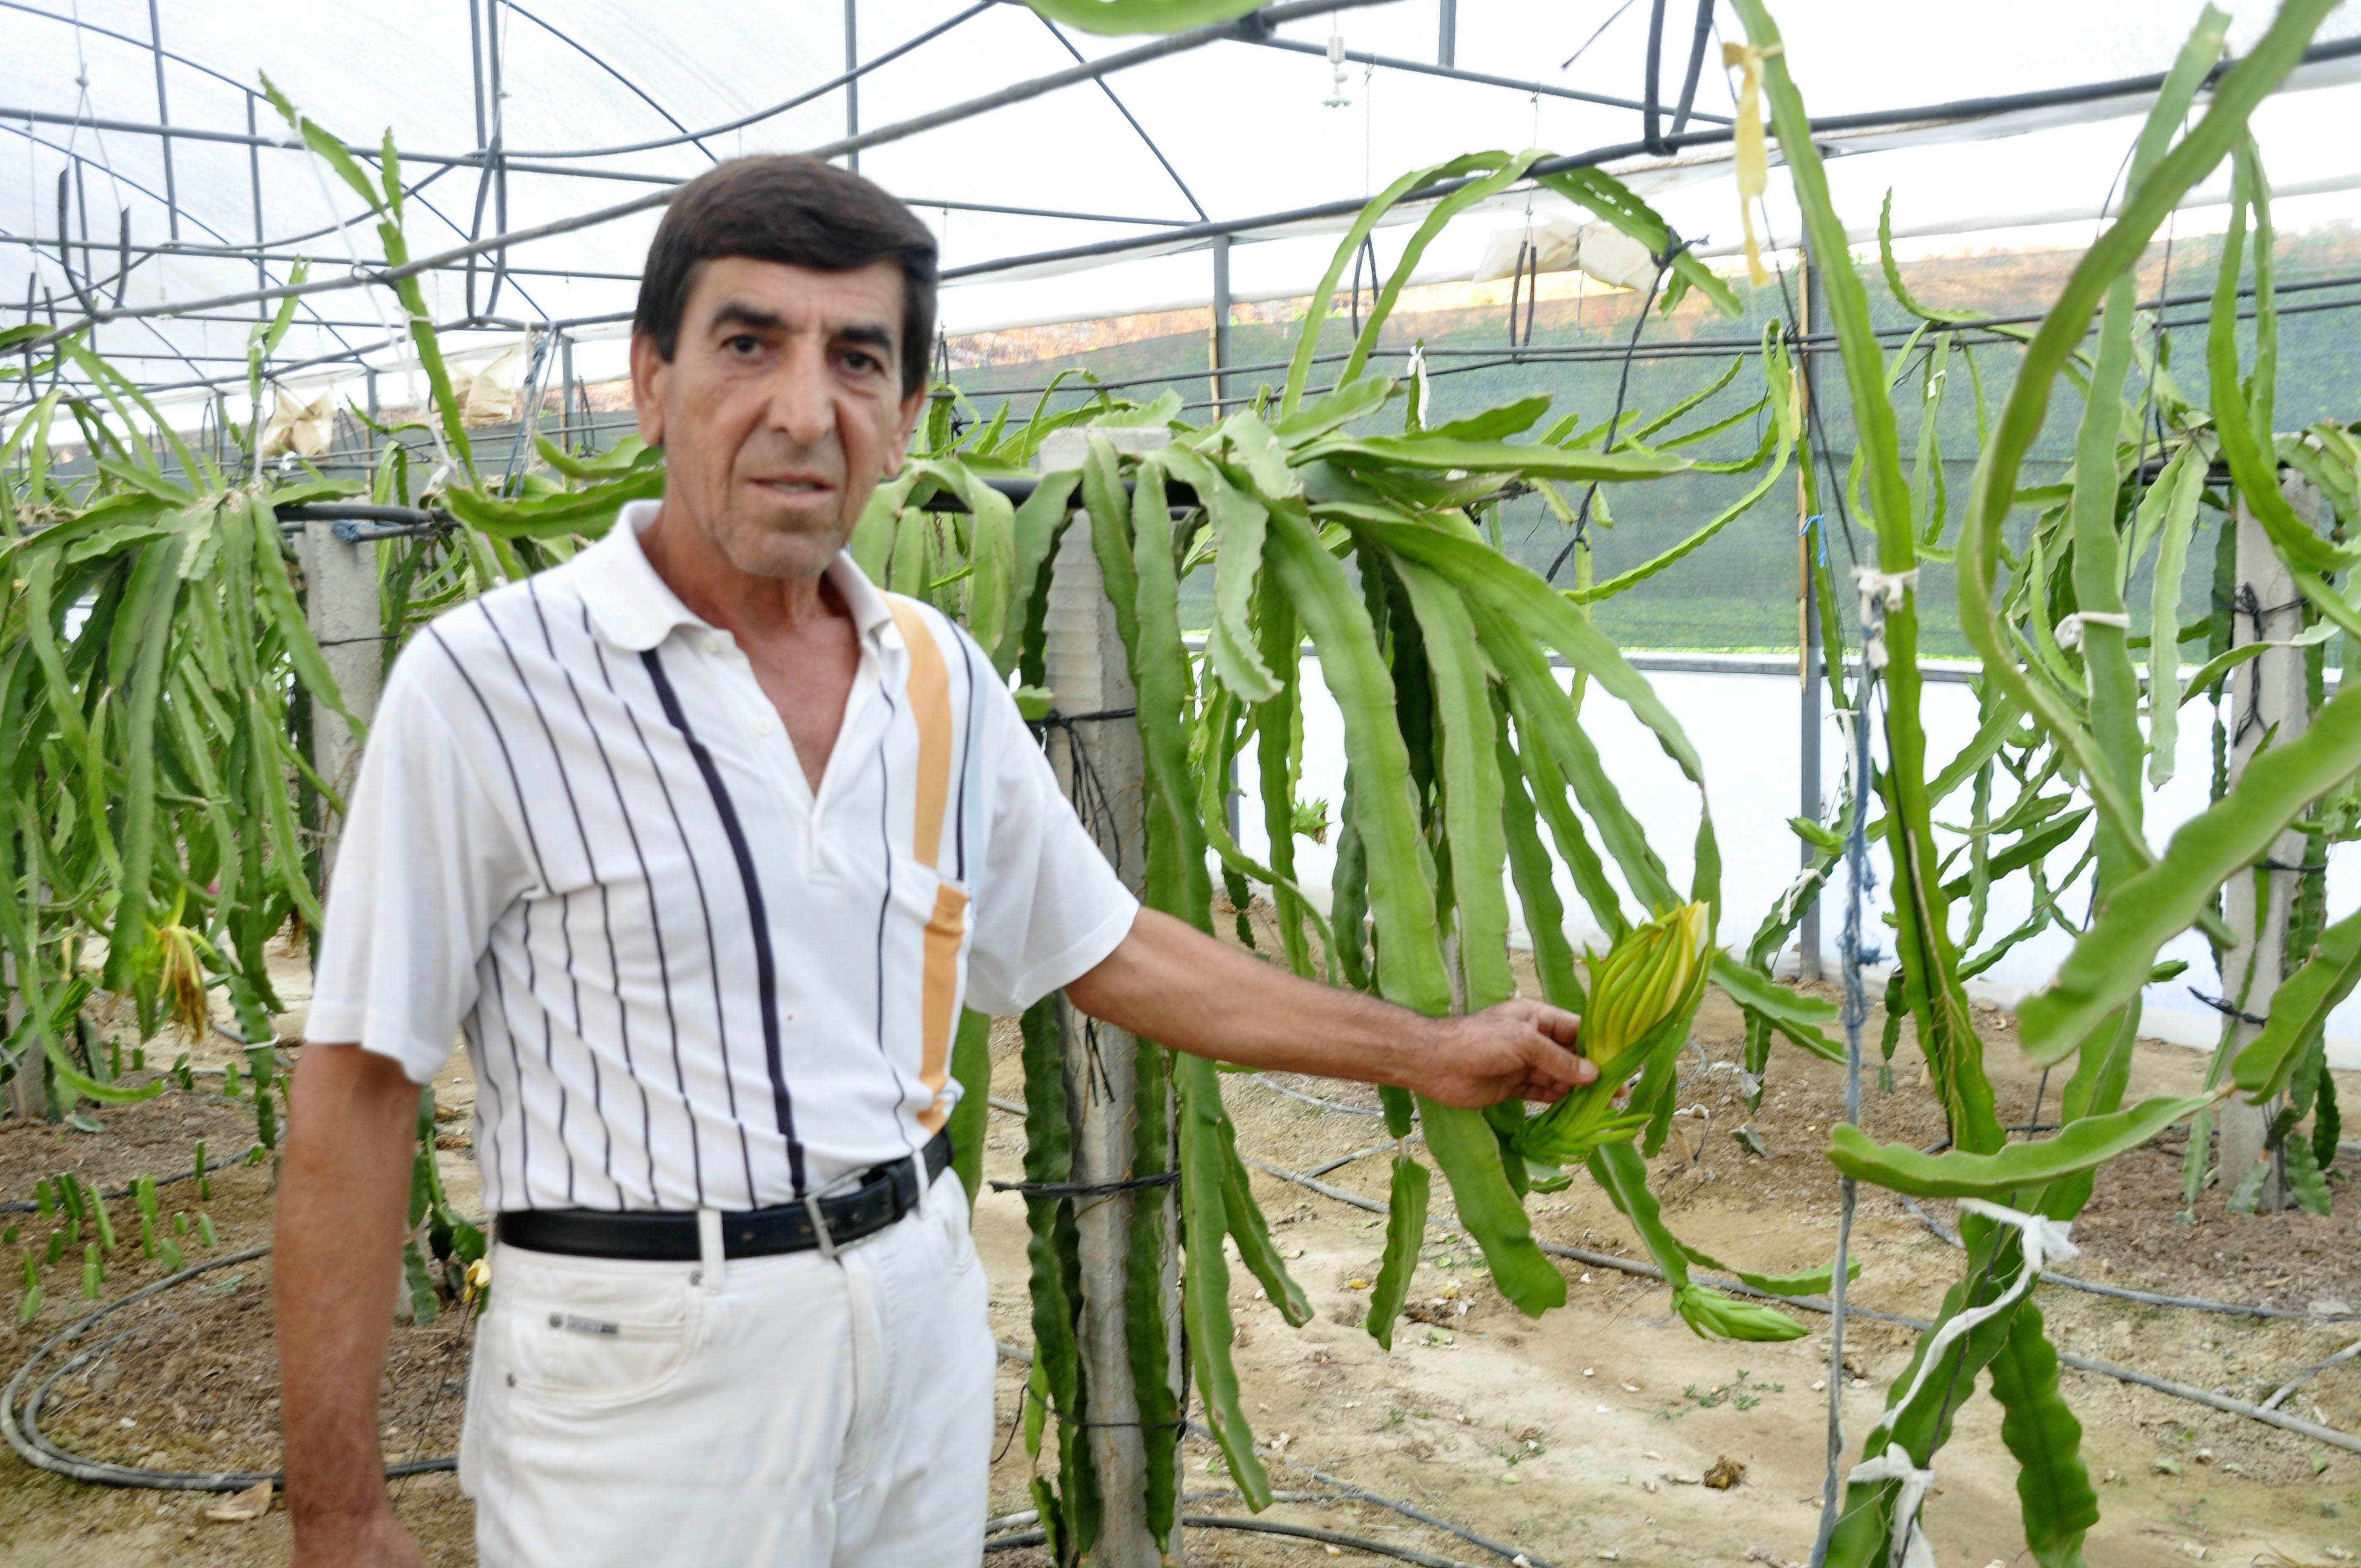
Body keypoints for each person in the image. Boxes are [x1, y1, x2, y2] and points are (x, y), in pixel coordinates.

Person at [274, 154, 1591, 1568]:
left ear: (904, 417)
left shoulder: (934, 674)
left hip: (912, 1319)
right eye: (746, 343)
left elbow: (1106, 945)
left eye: (856, 358)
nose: (802, 408)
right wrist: (341, 1512)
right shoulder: (486, 685)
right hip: (642, 1381)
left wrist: (1429, 1048)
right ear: (649, 380)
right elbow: (360, 1078)